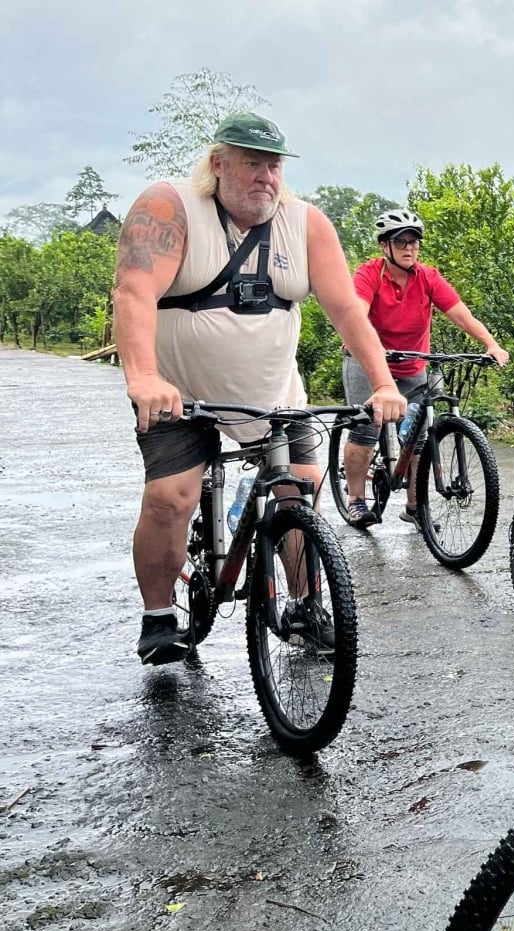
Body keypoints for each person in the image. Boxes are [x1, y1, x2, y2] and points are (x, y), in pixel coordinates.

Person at [114, 112, 406, 666]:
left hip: (275, 396)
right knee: (170, 498)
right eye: (252, 162)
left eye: (274, 165)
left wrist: (384, 384)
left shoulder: (306, 224)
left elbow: (346, 309)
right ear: (218, 163)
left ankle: (303, 603)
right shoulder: (169, 208)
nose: (265, 176)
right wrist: (144, 378)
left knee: (301, 491)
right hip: (183, 394)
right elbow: (133, 291)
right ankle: (158, 616)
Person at [339, 209, 510, 528]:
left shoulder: (428, 277)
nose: (409, 248)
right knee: (366, 428)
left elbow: (461, 314)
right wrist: (370, 347)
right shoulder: (369, 274)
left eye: (414, 242)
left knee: (420, 434)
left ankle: (416, 507)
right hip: (368, 362)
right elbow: (356, 316)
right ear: (384, 246)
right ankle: (355, 500)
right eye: (400, 241)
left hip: (412, 364)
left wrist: (491, 344)